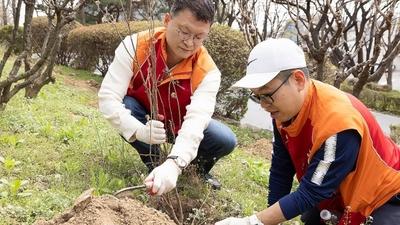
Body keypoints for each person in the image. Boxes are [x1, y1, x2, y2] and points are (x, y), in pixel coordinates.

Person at [216, 38, 400, 225]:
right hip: (337, 188)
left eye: (267, 94)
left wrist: (253, 222)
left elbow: (311, 192)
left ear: (298, 79)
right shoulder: (283, 111)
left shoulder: (338, 123)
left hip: (387, 195)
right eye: (257, 96)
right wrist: (268, 220)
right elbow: (282, 168)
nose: (263, 105)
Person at [98, 0, 236, 196]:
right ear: (167, 20)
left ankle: (194, 171)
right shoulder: (135, 46)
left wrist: (175, 164)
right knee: (126, 105)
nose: (189, 43)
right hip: (147, 121)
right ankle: (154, 163)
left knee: (225, 139)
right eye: (184, 32)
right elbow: (108, 98)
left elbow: (196, 121)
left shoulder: (207, 71)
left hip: (181, 124)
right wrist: (139, 131)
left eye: (199, 37)